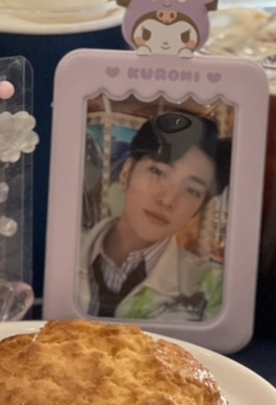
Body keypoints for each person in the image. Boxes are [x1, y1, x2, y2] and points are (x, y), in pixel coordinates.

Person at [79, 109, 230, 322]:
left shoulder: (212, 288)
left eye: (191, 190)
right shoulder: (62, 251)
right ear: (126, 172)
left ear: (198, 208)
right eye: (158, 172)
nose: (167, 200)